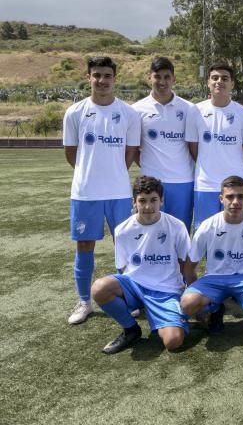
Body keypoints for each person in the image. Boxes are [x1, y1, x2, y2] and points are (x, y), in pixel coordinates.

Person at [63, 56, 141, 324]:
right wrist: (90, 174)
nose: (102, 81)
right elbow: (71, 153)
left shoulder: (129, 114)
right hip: (85, 193)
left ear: (114, 78)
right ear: (89, 78)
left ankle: (129, 299)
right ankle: (84, 301)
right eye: (96, 75)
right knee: (85, 245)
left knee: (125, 244)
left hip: (119, 192)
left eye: (107, 75)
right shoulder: (74, 113)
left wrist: (114, 174)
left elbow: (131, 152)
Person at [91, 176, 190, 354]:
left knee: (173, 342)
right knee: (99, 288)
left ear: (162, 200)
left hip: (166, 291)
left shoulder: (176, 226)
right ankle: (131, 329)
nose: (147, 207)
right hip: (135, 286)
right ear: (134, 202)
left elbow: (185, 263)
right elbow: (122, 267)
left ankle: (160, 316)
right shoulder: (122, 230)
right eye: (142, 201)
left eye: (153, 200)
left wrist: (188, 293)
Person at [180, 176, 243, 333]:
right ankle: (214, 309)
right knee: (187, 303)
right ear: (221, 199)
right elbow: (190, 265)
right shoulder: (208, 226)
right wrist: (200, 309)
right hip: (215, 278)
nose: (235, 201)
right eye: (230, 196)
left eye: (240, 196)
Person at [185, 62, 243, 228]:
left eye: (224, 78)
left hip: (236, 186)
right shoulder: (195, 111)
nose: (219, 81)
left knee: (237, 231)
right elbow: (193, 149)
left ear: (232, 84)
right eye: (214, 78)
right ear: (208, 82)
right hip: (205, 185)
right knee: (206, 232)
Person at [132, 57, 194, 232]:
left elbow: (193, 146)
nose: (162, 81)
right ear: (149, 77)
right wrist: (148, 164)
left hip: (183, 181)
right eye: (157, 76)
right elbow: (133, 149)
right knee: (151, 232)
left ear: (174, 79)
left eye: (167, 77)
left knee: (180, 233)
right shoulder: (137, 109)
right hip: (151, 183)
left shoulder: (189, 109)